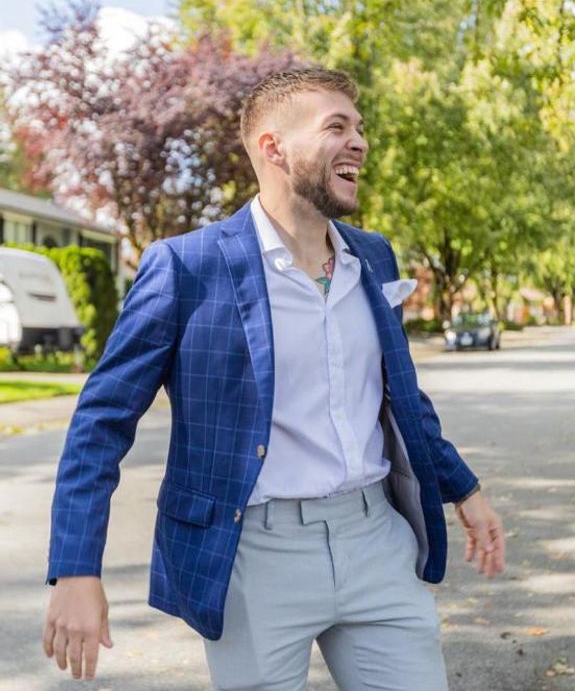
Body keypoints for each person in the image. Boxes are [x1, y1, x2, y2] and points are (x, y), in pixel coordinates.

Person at [41, 67, 505, 690]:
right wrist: (76, 569)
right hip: (253, 558)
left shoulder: (374, 256)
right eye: (336, 127)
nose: (359, 142)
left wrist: (464, 490)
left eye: (360, 127)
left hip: (375, 541)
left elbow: (399, 399)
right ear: (273, 147)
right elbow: (101, 421)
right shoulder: (186, 267)